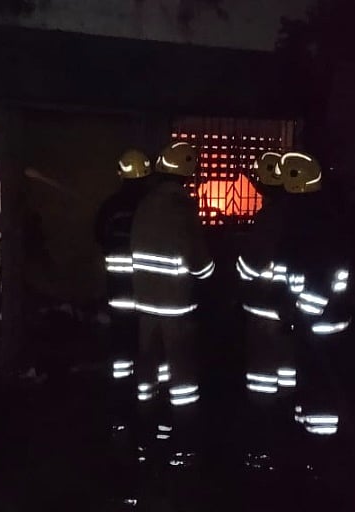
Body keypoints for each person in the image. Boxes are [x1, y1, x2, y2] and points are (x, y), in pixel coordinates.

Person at [123, 141, 213, 470]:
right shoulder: (181, 208)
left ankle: (146, 436)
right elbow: (200, 262)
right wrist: (209, 275)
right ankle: (183, 444)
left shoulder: (146, 204)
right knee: (182, 377)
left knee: (149, 371)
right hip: (176, 306)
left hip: (145, 304)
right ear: (187, 175)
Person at [277, 152, 352, 483]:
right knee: (312, 391)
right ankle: (311, 454)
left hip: (321, 327)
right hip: (315, 325)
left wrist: (300, 318)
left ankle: (323, 462)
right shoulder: (315, 219)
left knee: (321, 394)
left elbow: (319, 282)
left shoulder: (314, 226)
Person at [234, 152, 299, 472]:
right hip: (289, 311)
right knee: (287, 374)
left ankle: (263, 446)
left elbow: (249, 265)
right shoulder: (299, 216)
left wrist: (239, 271)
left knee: (262, 381)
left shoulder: (269, 218)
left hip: (263, 310)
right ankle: (288, 440)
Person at [95, 149, 154, 436]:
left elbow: (100, 238)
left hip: (119, 293)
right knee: (147, 349)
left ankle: (120, 405)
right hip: (146, 293)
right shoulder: (150, 207)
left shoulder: (111, 207)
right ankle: (147, 405)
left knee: (121, 350)